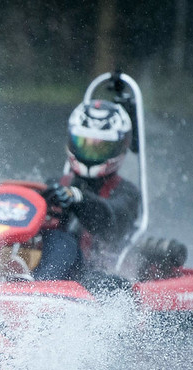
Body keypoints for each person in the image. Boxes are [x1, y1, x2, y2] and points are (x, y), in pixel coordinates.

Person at [33, 99, 141, 294]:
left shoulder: (127, 193)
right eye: (83, 144)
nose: (90, 154)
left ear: (119, 148)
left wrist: (78, 199)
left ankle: (39, 290)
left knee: (63, 242)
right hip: (46, 265)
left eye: (99, 148)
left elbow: (111, 223)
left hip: (93, 276)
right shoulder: (55, 184)